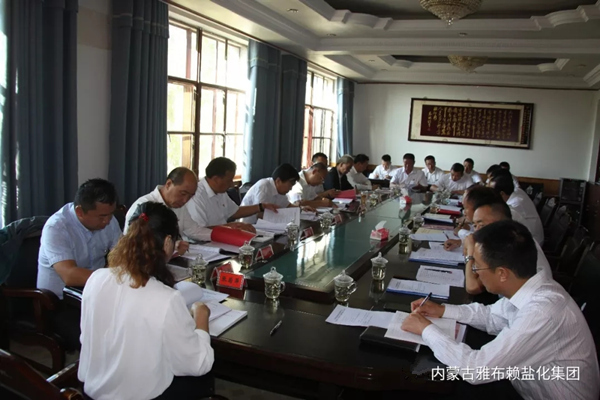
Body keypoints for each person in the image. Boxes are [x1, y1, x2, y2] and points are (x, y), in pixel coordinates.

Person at [401, 220, 599, 400]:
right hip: (523, 383)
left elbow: (476, 370)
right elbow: (491, 317)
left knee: (437, 383)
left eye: (478, 267)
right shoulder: (530, 287)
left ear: (502, 273)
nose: (475, 273)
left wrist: (426, 329)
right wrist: (442, 310)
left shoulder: (543, 312)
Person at [79, 202, 215, 400]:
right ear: (167, 242)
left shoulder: (96, 278)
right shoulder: (166, 298)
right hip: (141, 396)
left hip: (93, 390)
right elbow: (198, 364)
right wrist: (201, 316)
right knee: (204, 375)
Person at [37, 179, 122, 349]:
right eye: (102, 217)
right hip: (59, 303)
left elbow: (121, 255)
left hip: (95, 292)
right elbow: (70, 275)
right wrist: (115, 276)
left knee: (129, 323)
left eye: (110, 214)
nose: (107, 221)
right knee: (102, 339)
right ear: (80, 212)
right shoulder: (57, 228)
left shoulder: (109, 221)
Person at [464, 201, 551, 294]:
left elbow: (473, 287)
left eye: (481, 225)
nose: (476, 231)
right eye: (474, 226)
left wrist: (470, 251)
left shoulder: (510, 246)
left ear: (500, 224)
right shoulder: (509, 238)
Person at [125, 168, 212, 248]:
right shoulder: (143, 206)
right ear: (168, 184)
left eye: (190, 196)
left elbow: (193, 230)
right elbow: (132, 245)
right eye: (183, 193)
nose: (185, 200)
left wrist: (217, 235)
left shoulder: (179, 205)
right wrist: (173, 247)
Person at [185, 157, 278, 232]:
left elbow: (234, 211)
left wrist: (261, 207)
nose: (231, 185)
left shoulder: (220, 192)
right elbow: (198, 231)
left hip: (221, 238)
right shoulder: (197, 196)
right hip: (202, 244)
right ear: (216, 179)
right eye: (229, 180)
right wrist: (230, 227)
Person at [489, 169, 544, 245]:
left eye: (491, 192)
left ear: (502, 194)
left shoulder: (516, 204)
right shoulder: (517, 192)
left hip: (533, 242)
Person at [443, 186, 502, 251]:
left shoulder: (496, 227)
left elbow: (481, 242)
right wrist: (461, 242)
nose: (464, 212)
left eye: (465, 208)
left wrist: (460, 232)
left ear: (478, 209)